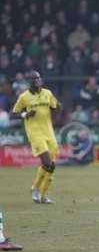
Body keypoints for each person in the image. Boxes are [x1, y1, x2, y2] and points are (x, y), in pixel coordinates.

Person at [11, 70, 62, 204]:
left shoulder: (47, 93)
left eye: (39, 78)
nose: (38, 81)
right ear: (30, 82)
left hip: (49, 132)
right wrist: (25, 115)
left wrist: (58, 108)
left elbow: (55, 106)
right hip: (35, 133)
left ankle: (42, 194)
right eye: (35, 79)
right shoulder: (24, 97)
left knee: (52, 166)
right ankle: (37, 191)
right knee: (47, 163)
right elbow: (13, 114)